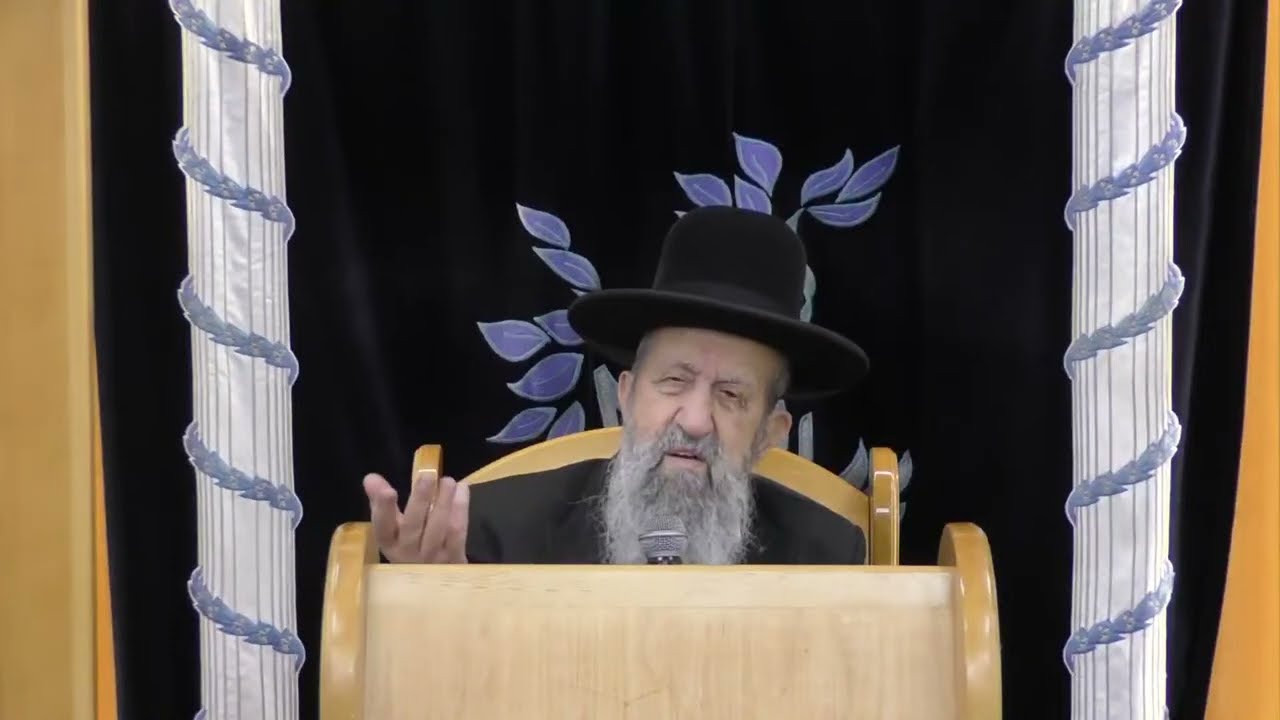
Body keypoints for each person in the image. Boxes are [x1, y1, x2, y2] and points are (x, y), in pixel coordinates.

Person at [362, 205, 872, 565]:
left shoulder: (826, 557)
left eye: (731, 396)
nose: (696, 421)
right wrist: (433, 603)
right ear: (625, 394)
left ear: (771, 432)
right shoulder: (494, 533)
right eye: (673, 381)